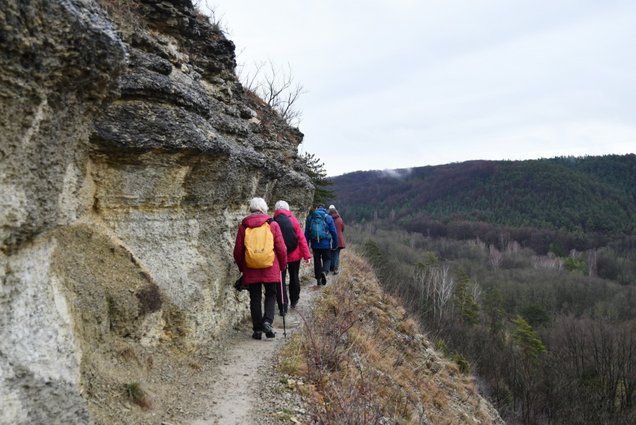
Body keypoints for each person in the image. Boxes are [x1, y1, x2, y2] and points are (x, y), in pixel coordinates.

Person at [233, 197, 287, 340]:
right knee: (271, 294)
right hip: (270, 266)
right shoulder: (272, 224)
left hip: (251, 267)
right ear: (264, 209)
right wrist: (282, 265)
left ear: (251, 209)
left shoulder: (244, 226)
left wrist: (242, 268)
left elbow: (238, 251)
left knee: (255, 297)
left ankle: (257, 330)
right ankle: (267, 322)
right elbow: (281, 248)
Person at [273, 200, 311, 313]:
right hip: (295, 254)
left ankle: (283, 306)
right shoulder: (294, 221)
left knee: (280, 279)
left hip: (280, 255)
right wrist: (306, 255)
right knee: (294, 276)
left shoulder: (273, 222)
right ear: (287, 209)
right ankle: (294, 300)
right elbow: (301, 239)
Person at [305, 204, 338, 286]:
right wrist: (335, 244)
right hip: (326, 244)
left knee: (317, 261)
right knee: (327, 259)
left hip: (315, 244)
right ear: (324, 209)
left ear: (316, 208)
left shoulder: (310, 218)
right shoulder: (328, 218)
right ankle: (324, 271)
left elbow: (306, 233)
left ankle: (318, 279)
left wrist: (306, 245)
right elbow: (334, 232)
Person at [328, 205, 346, 274]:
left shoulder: (328, 218)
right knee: (337, 254)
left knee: (331, 253)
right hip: (339, 239)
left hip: (330, 239)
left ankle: (331, 267)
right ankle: (335, 268)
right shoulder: (340, 219)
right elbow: (343, 228)